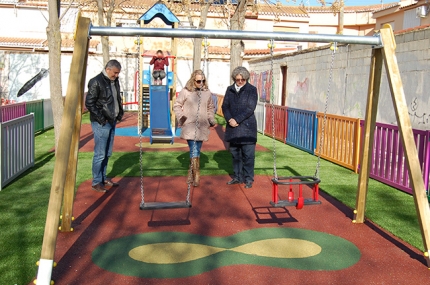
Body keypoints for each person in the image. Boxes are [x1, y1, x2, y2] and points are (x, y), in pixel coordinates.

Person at [85, 59, 124, 193]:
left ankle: (103, 177)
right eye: (115, 73)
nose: (117, 75)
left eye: (118, 73)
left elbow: (117, 98)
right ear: (108, 69)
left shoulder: (114, 81)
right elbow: (90, 103)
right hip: (101, 122)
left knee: (107, 153)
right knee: (100, 153)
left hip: (112, 120)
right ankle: (96, 181)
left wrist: (120, 113)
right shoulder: (96, 82)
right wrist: (101, 118)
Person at [173, 70, 217, 187]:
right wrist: (182, 117)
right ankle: (196, 174)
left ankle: (190, 172)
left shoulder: (207, 93)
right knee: (194, 149)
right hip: (190, 125)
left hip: (202, 125)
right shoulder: (186, 92)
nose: (201, 83)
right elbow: (177, 105)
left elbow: (210, 108)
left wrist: (211, 118)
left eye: (203, 81)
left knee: (197, 148)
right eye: (198, 81)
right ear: (193, 80)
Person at [222, 66, 258, 189]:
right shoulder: (230, 89)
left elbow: (250, 108)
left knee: (248, 155)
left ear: (246, 79)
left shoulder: (252, 90)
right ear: (234, 79)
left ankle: (248, 179)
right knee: (235, 154)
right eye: (238, 79)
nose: (240, 81)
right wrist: (229, 119)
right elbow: (225, 106)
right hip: (233, 128)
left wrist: (236, 119)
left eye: (243, 79)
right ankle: (237, 176)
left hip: (247, 128)